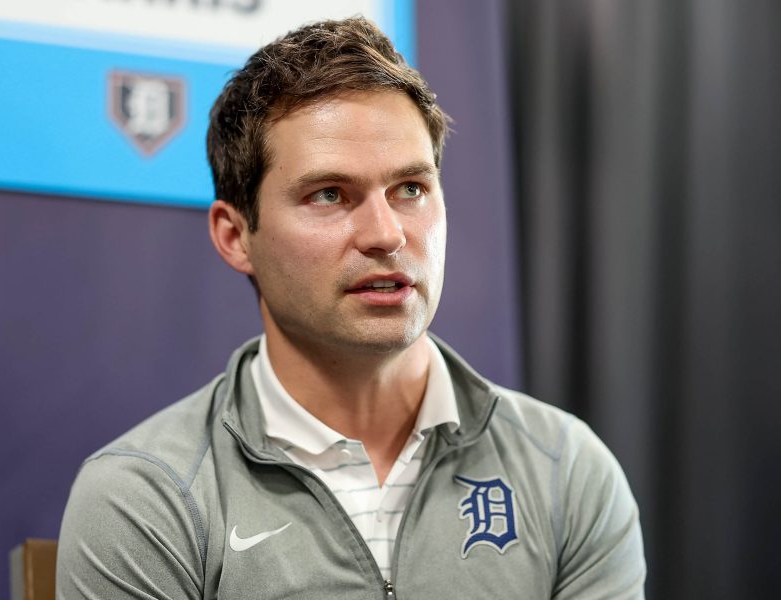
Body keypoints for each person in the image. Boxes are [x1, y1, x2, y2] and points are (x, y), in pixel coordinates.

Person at [56, 16, 645, 599]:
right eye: (330, 195)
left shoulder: (566, 469)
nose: (385, 234)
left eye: (410, 189)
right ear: (236, 237)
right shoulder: (146, 496)